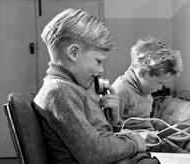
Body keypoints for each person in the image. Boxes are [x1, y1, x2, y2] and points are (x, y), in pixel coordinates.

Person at [33, 8, 159, 164]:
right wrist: (134, 143)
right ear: (73, 53)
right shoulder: (59, 92)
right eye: (98, 61)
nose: (101, 69)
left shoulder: (75, 88)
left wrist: (114, 120)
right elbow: (93, 152)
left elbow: (99, 138)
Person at [109, 36, 185, 152]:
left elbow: (143, 122)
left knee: (185, 154)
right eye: (160, 82)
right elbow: (111, 134)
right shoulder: (120, 91)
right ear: (143, 73)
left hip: (151, 141)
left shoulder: (145, 89)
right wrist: (141, 137)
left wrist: (163, 129)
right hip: (134, 147)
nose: (160, 88)